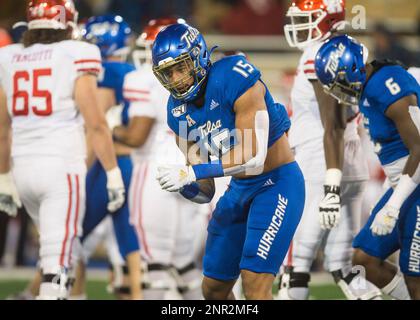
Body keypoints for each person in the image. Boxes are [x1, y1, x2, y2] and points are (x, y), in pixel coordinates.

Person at [151, 23, 305, 300]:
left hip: (276, 183)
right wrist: (185, 184)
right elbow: (206, 190)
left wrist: (192, 172)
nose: (175, 79)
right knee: (213, 290)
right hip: (239, 190)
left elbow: (254, 157)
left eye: (180, 67)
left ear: (198, 57)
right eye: (167, 72)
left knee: (254, 285)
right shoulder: (177, 111)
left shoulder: (235, 77)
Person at [0, 0, 125, 299]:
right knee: (58, 264)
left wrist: (4, 177)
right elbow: (95, 123)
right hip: (60, 168)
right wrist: (113, 173)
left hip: (22, 170)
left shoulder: (10, 56)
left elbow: (2, 128)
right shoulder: (76, 53)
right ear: (67, 22)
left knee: (57, 256)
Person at [278, 0, 382, 300]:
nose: (300, 25)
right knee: (344, 268)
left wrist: (331, 187)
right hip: (352, 161)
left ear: (328, 17)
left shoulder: (318, 55)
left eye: (308, 18)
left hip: (319, 167)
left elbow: (332, 124)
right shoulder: (354, 48)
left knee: (295, 267)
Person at [314, 34, 420, 299]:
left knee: (414, 274)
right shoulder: (368, 84)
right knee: (364, 259)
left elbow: (419, 148)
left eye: (338, 83)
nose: (336, 91)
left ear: (352, 69)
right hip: (404, 182)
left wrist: (393, 205)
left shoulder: (390, 88)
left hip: (415, 185)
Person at [114, 18, 206, 299]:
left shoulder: (141, 78)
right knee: (185, 264)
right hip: (193, 164)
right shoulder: (202, 73)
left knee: (155, 265)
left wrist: (113, 126)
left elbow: (138, 135)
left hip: (157, 168)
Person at [78, 14, 142, 300]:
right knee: (130, 245)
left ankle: (69, 294)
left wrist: (83, 168)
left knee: (70, 235)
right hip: (133, 163)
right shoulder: (131, 71)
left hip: (110, 164)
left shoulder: (106, 72)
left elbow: (97, 127)